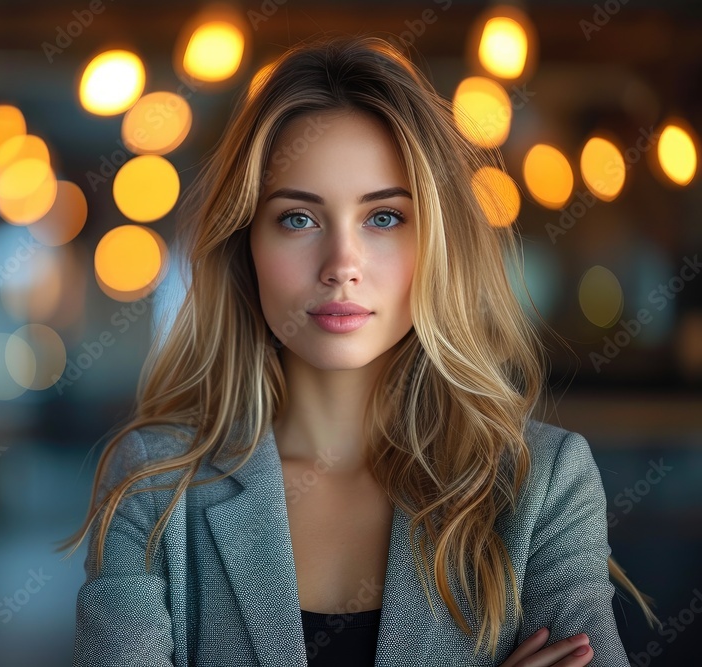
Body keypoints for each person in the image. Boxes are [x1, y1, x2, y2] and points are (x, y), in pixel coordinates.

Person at [58, 33, 659, 666]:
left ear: (436, 242)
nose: (342, 264)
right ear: (246, 244)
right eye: (298, 218)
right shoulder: (155, 484)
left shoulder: (542, 482)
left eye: (384, 217)